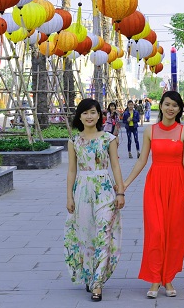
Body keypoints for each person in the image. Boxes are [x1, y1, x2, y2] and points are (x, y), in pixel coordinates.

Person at [123, 91, 184, 299]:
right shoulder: (150, 131)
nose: (170, 108)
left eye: (175, 105)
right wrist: (126, 183)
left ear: (180, 109)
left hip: (178, 184)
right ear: (161, 106)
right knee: (155, 231)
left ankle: (168, 278)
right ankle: (155, 278)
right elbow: (142, 160)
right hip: (155, 184)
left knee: (174, 233)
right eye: (167, 104)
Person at [64, 98, 125, 302]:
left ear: (100, 115)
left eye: (93, 112)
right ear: (79, 117)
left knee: (103, 233)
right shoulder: (74, 141)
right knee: (86, 236)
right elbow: (71, 170)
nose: (89, 116)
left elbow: (115, 166)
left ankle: (98, 282)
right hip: (82, 190)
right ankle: (89, 275)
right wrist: (69, 196)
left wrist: (120, 192)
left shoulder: (108, 138)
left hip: (105, 189)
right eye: (85, 113)